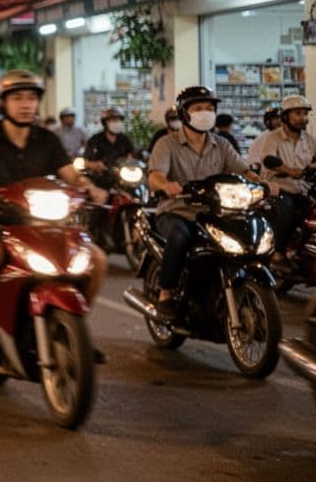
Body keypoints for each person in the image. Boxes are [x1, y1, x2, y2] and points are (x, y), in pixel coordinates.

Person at [0, 71, 108, 356]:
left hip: (41, 221)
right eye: (17, 98)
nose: (26, 104)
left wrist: (88, 187)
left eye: (31, 98)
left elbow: (70, 176)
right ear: (2, 103)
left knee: (95, 259)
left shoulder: (47, 139)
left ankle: (74, 329)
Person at [146, 87, 259, 321]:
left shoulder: (222, 144)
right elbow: (155, 175)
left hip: (214, 214)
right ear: (185, 113)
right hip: (176, 212)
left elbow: (243, 170)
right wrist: (166, 185)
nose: (205, 113)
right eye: (198, 108)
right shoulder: (167, 144)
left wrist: (262, 183)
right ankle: (166, 294)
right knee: (179, 236)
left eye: (209, 108)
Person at [250, 95, 314, 264]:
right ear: (285, 116)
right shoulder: (272, 137)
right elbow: (268, 158)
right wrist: (289, 170)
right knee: (286, 208)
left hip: (302, 189)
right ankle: (277, 252)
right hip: (279, 188)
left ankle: (300, 251)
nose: (303, 118)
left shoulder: (309, 140)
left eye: (305, 114)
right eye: (298, 114)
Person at [82, 107, 136, 188]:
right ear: (105, 123)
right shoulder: (95, 140)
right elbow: (85, 162)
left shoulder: (125, 139)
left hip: (123, 177)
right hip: (100, 177)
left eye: (119, 120)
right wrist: (94, 164)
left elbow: (131, 155)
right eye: (113, 120)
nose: (117, 123)